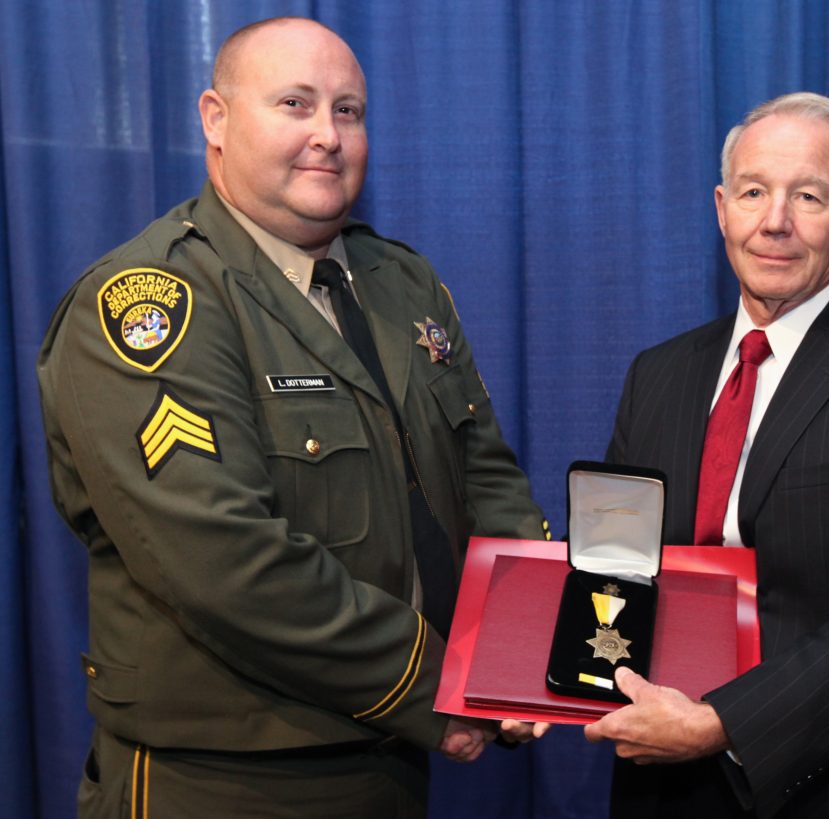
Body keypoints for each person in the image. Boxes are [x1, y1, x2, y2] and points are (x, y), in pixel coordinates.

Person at [38, 16, 547, 818]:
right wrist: (432, 685)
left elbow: (484, 475)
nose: (328, 137)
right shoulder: (153, 305)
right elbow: (224, 561)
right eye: (295, 104)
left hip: (393, 759)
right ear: (216, 118)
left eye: (348, 111)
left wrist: (524, 662)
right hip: (225, 778)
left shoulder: (401, 283)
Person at [584, 92, 829, 819]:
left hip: (828, 787)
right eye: (754, 192)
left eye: (807, 196)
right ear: (720, 208)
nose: (775, 221)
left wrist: (720, 723)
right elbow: (614, 561)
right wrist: (527, 678)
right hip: (656, 785)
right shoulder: (657, 373)